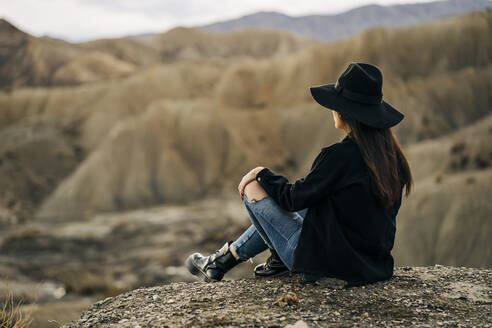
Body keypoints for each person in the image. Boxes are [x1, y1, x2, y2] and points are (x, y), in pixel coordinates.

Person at [185, 62, 413, 286]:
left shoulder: (339, 156)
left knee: (254, 187)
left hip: (328, 267)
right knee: (313, 203)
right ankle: (221, 262)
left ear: (345, 112)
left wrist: (261, 173)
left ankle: (275, 262)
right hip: (372, 267)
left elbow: (292, 199)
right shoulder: (392, 159)